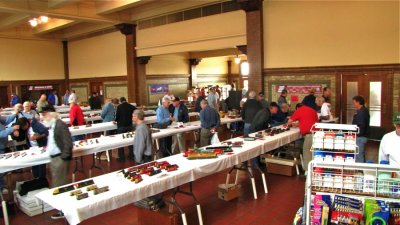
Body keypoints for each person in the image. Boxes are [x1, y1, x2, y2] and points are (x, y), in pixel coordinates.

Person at [42, 110, 73, 220]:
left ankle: (64, 211)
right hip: (55, 158)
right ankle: (61, 208)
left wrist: (63, 157)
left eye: (45, 117)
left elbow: (68, 143)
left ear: (51, 116)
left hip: (60, 158)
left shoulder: (60, 125)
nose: (44, 119)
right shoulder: (53, 125)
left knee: (60, 185)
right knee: (57, 183)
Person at [287, 97, 322, 173]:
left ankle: (307, 172)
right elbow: (310, 122)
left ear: (297, 108)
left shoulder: (299, 110)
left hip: (309, 135)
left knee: (307, 153)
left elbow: (289, 121)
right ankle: (316, 170)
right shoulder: (313, 110)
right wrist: (299, 124)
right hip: (317, 134)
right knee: (315, 154)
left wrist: (292, 123)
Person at [0, 118, 19, 194]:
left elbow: (6, 120)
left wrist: (15, 113)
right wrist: (12, 129)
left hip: (2, 147)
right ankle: (1, 188)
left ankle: (2, 185)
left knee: (1, 169)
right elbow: (1, 134)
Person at [115, 97, 136, 161]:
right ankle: (131, 155)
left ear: (121, 101)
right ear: (125, 100)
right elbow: (136, 111)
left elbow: (117, 116)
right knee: (130, 140)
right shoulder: (131, 106)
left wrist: (115, 120)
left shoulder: (119, 107)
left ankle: (121, 157)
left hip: (121, 126)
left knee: (120, 141)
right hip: (129, 125)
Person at [352, 95, 370, 163]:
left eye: (354, 102)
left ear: (358, 102)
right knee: (360, 153)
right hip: (363, 135)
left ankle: (360, 171)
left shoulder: (361, 112)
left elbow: (361, 125)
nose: (353, 104)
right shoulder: (363, 110)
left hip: (361, 136)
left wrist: (357, 134)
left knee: (359, 154)